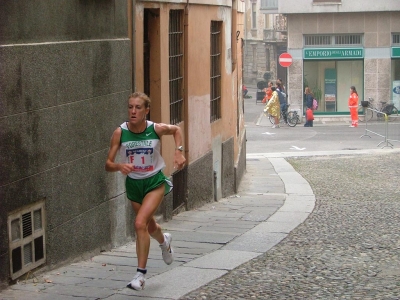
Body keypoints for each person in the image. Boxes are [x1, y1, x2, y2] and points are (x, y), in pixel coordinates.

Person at [105, 92, 186, 290]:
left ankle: (140, 275)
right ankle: (164, 241)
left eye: (138, 107)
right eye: (130, 107)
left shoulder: (155, 129)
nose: (133, 111)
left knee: (139, 223)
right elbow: (108, 164)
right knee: (149, 226)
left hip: (154, 182)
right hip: (134, 185)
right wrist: (119, 167)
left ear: (146, 111)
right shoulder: (120, 132)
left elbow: (176, 130)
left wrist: (179, 150)